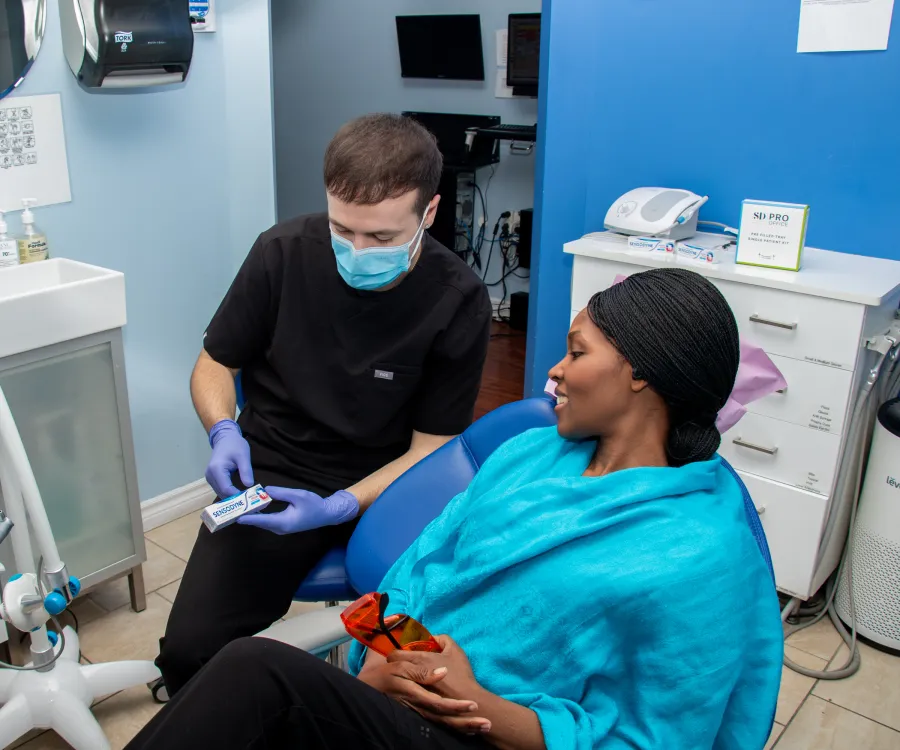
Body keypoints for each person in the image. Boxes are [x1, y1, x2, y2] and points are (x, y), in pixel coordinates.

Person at [130, 268, 783, 750]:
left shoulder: (700, 556)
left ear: (642, 375)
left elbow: (658, 741)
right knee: (234, 696)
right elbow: (422, 567)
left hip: (491, 736)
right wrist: (388, 658)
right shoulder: (532, 453)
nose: (553, 371)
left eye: (577, 352)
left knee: (254, 674)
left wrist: (481, 706)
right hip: (406, 703)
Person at [153, 114, 493, 698]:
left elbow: (431, 450)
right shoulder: (282, 252)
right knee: (188, 653)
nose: (357, 251)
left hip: (388, 484)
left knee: (422, 667)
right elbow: (215, 363)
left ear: (429, 214)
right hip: (274, 476)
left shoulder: (457, 299)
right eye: (343, 231)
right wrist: (223, 431)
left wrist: (338, 506)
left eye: (382, 238)